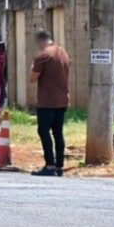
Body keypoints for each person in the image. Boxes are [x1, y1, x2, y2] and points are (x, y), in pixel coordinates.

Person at [29, 30, 71, 176]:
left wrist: (33, 65)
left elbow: (32, 78)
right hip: (62, 100)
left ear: (41, 41)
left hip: (47, 101)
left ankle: (49, 165)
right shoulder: (63, 53)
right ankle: (59, 166)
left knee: (43, 131)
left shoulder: (43, 56)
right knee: (58, 132)